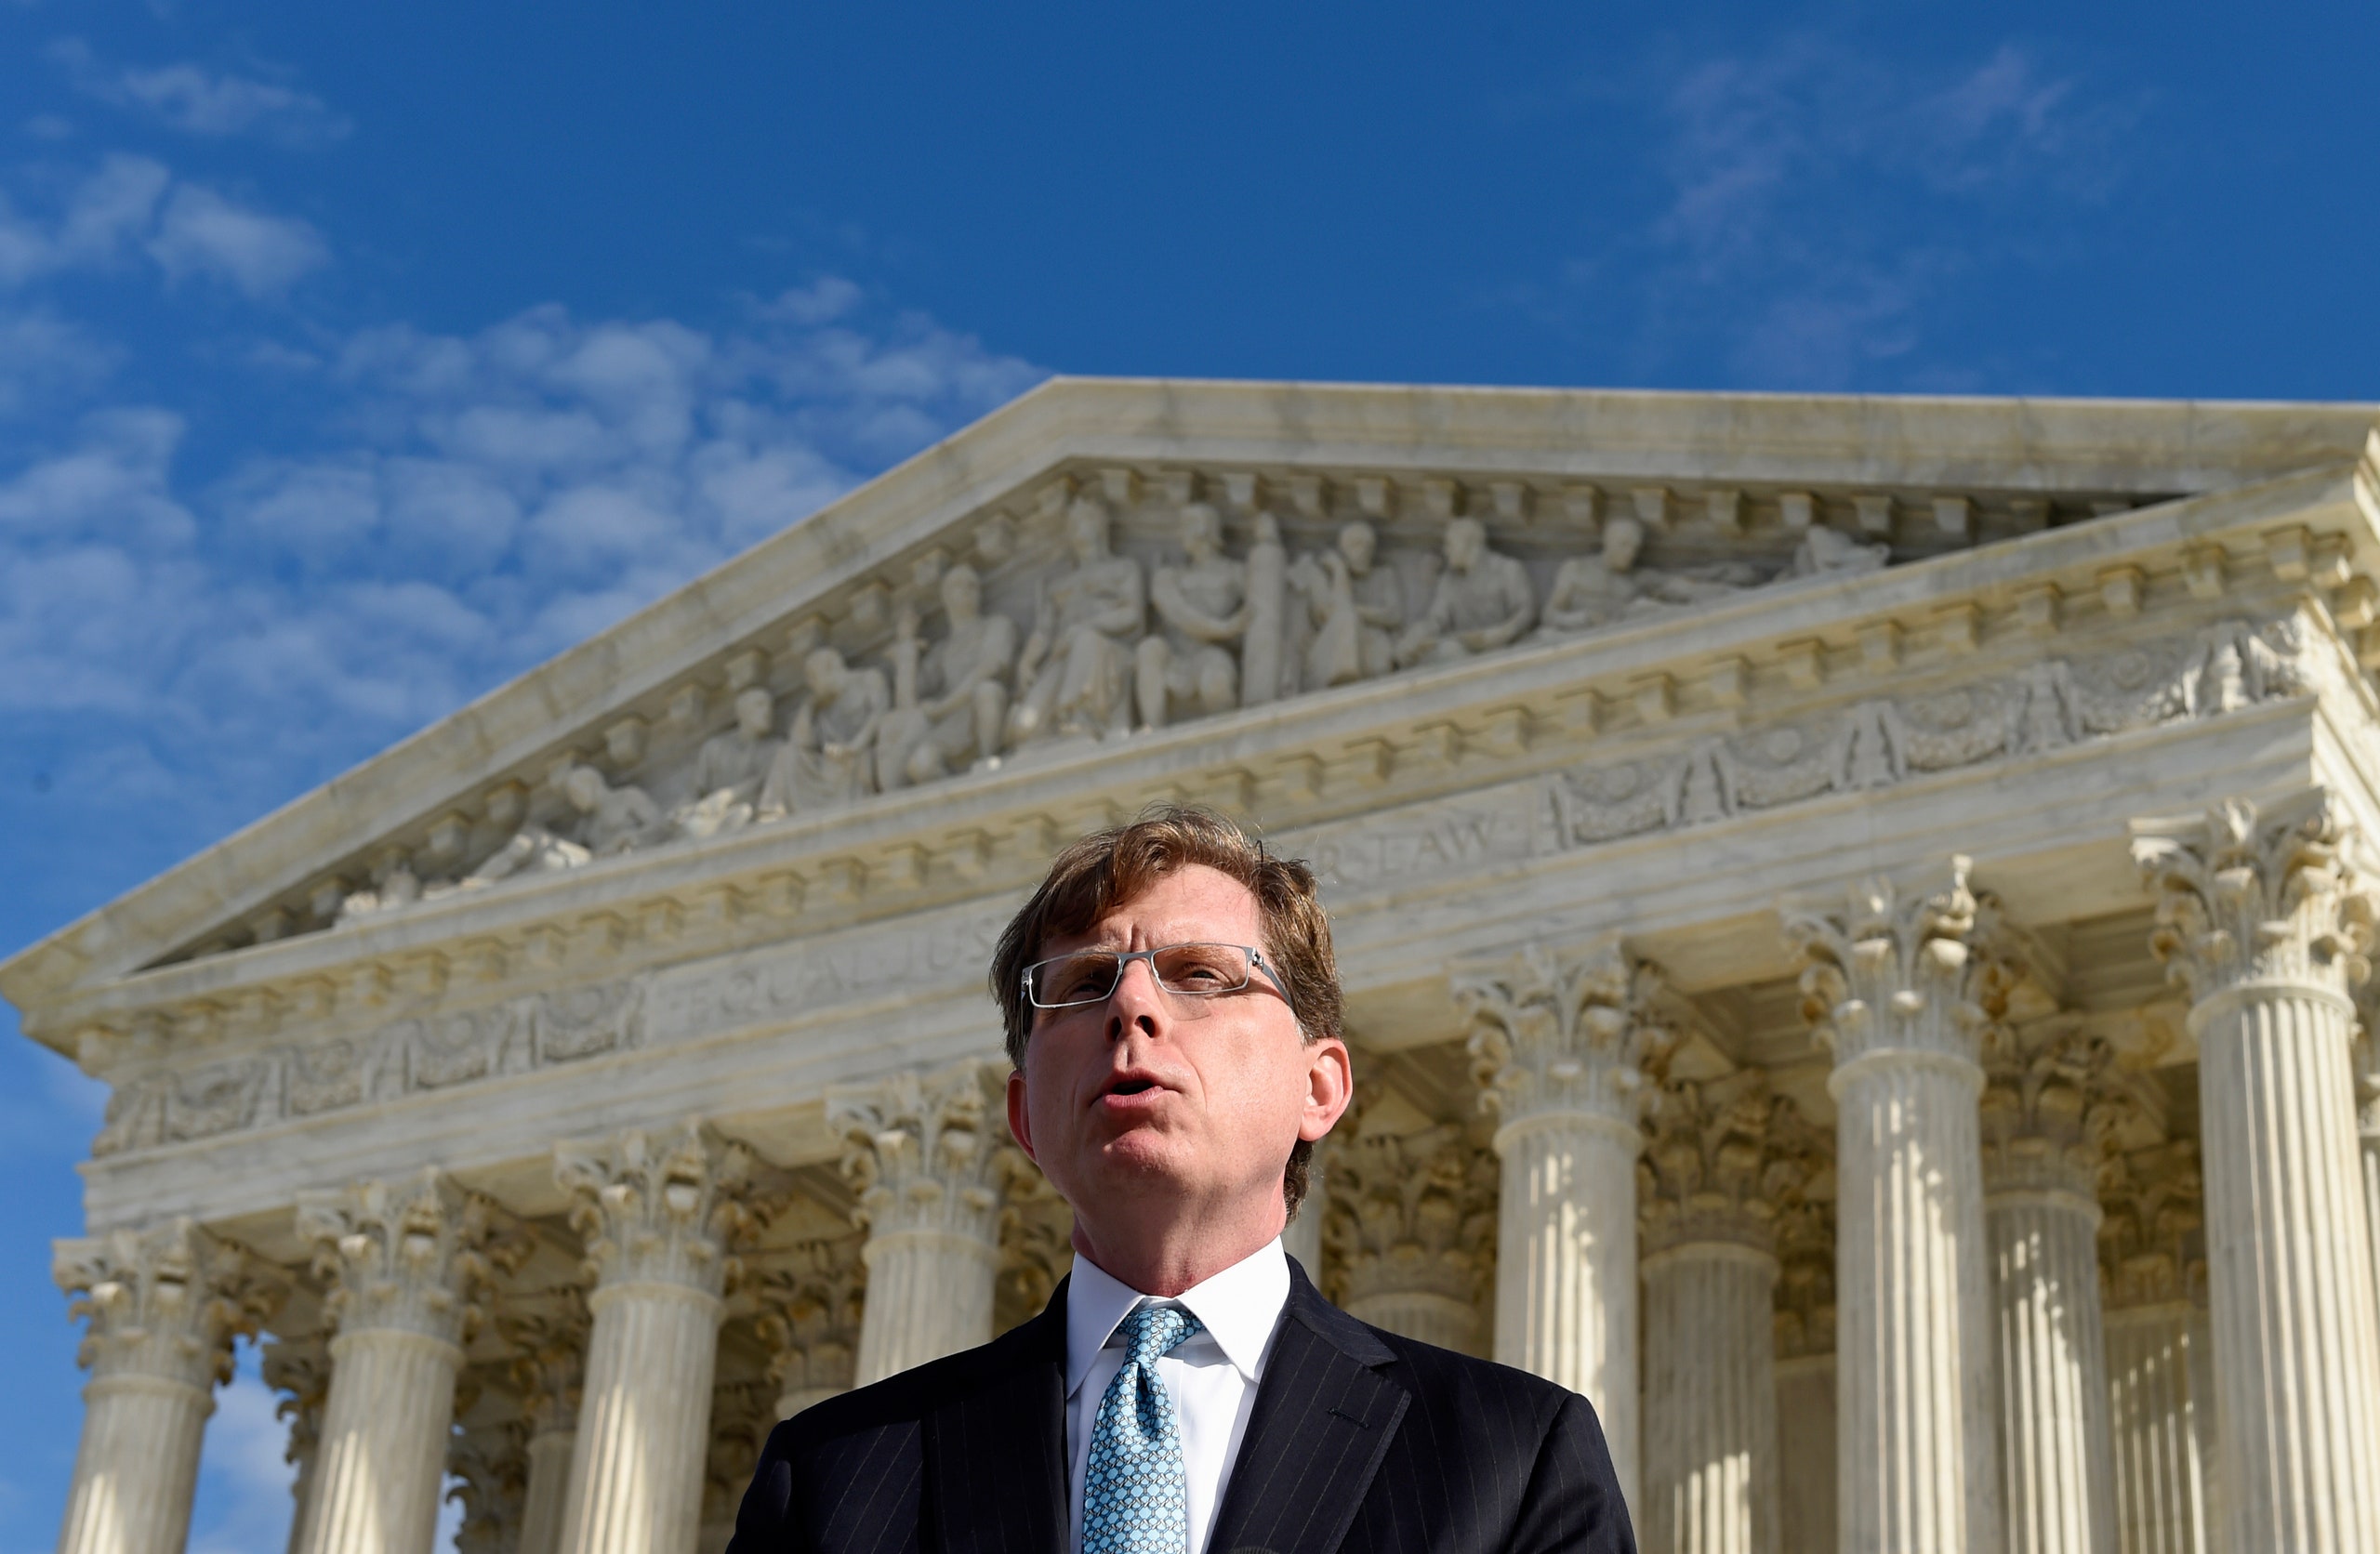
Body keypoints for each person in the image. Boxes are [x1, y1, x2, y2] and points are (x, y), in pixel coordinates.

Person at [728, 807, 1635, 1554]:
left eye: (1200, 973)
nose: (1131, 1004)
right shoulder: (835, 1479)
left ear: (1317, 1087)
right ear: (1023, 1121)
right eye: (1082, 983)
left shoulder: (1511, 1458)